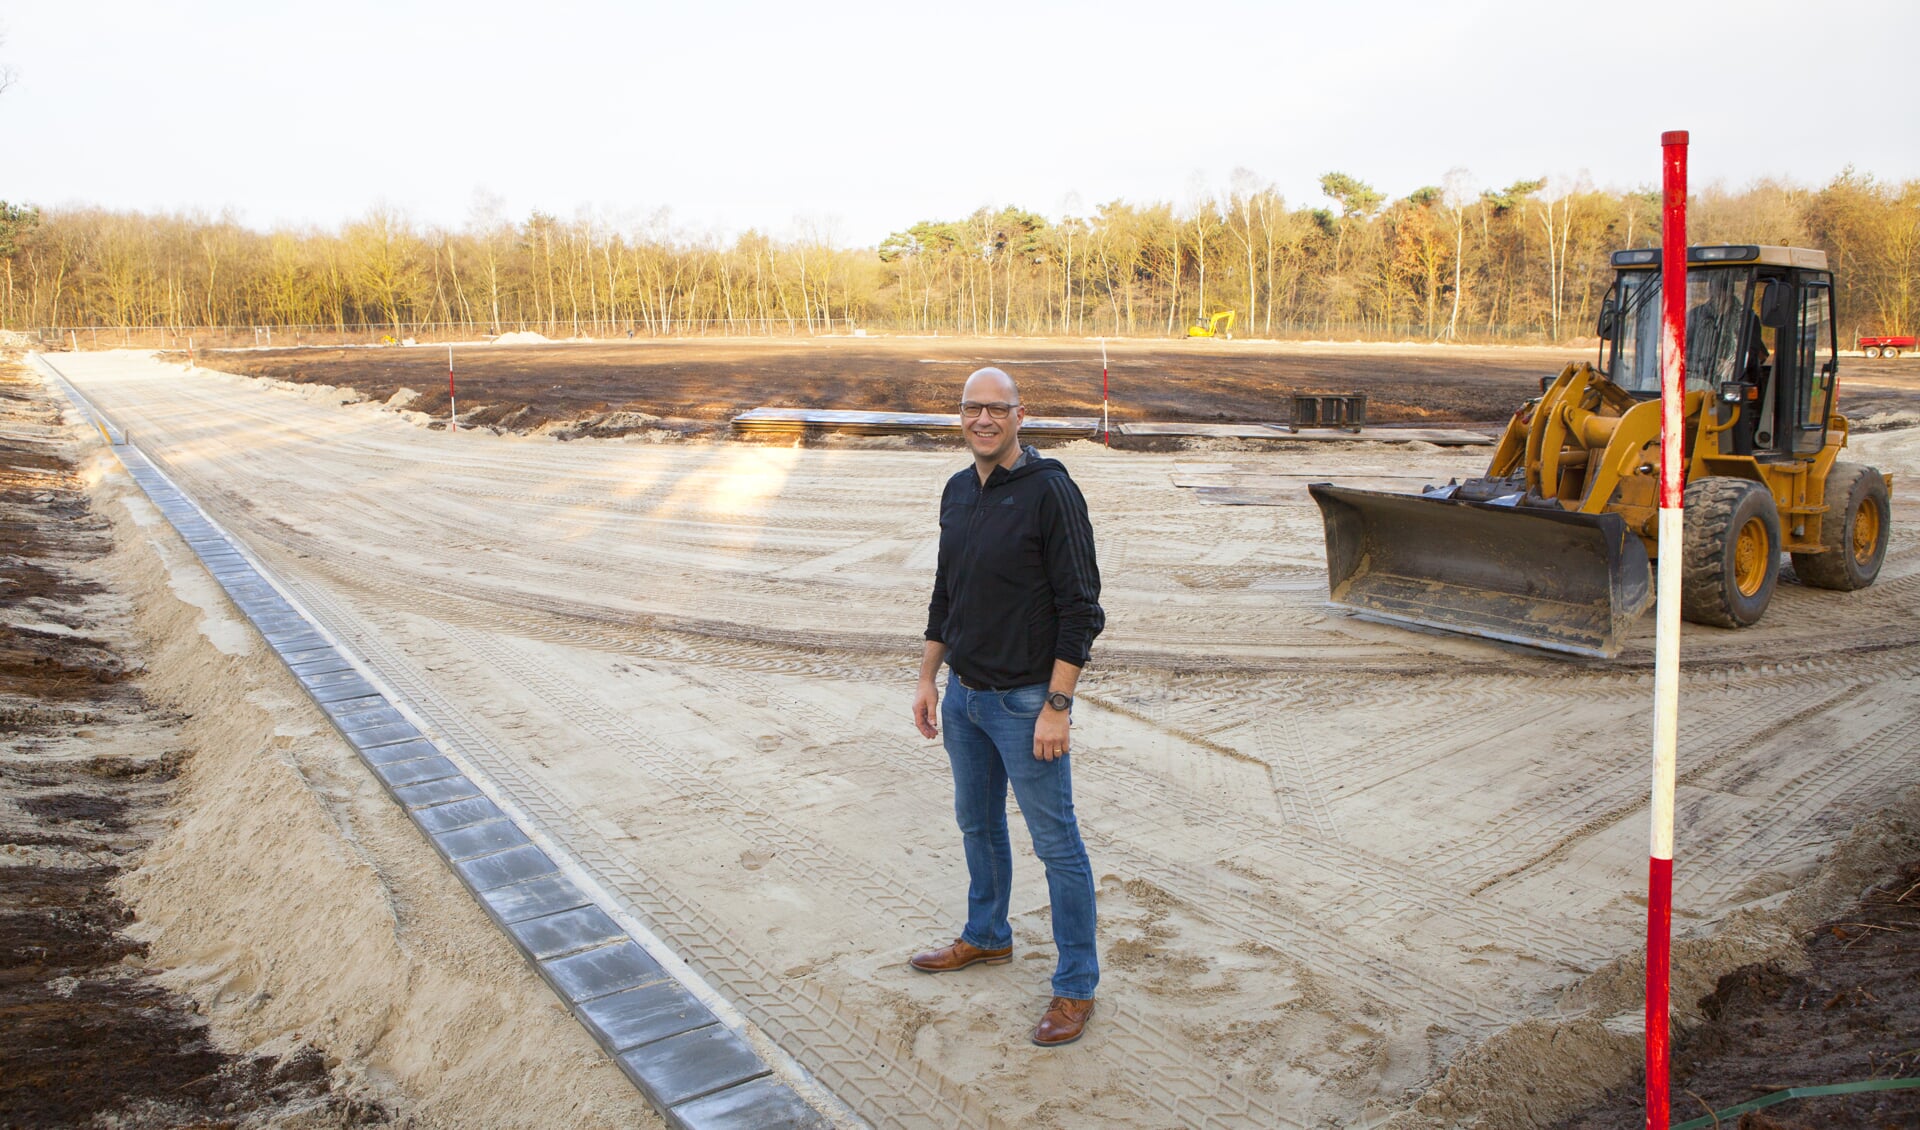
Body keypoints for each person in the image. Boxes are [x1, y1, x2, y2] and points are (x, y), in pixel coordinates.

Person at [910, 366, 1105, 1048]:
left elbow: (1082, 608)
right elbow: (947, 591)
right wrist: (929, 678)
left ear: (1022, 415)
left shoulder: (1051, 491)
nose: (983, 420)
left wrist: (1057, 705)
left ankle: (1076, 985)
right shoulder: (959, 490)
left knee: (1058, 846)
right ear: (960, 417)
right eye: (972, 408)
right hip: (964, 697)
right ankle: (987, 935)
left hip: (1026, 703)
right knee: (977, 825)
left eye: (997, 409)